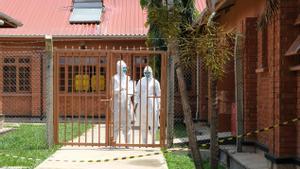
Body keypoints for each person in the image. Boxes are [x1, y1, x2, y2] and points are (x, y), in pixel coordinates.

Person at [134, 66, 161, 144]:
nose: (147, 74)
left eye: (149, 73)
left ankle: (153, 140)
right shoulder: (140, 81)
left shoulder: (155, 82)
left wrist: (158, 104)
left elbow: (158, 94)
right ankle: (144, 141)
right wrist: (137, 103)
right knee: (143, 123)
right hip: (142, 105)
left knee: (153, 122)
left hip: (152, 105)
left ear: (151, 72)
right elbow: (137, 93)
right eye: (145, 73)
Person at [112, 60, 134, 144]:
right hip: (117, 104)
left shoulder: (128, 78)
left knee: (127, 124)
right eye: (123, 68)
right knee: (116, 124)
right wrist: (120, 89)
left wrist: (129, 93)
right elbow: (113, 91)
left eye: (125, 68)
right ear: (119, 68)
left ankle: (127, 143)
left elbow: (131, 89)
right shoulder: (115, 78)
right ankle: (114, 142)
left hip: (126, 103)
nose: (124, 70)